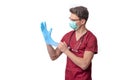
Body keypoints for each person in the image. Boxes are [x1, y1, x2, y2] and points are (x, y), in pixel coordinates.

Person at [40, 6, 98, 80]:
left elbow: (84, 64)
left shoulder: (91, 38)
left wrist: (66, 51)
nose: (71, 22)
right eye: (70, 19)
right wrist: (47, 41)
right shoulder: (68, 36)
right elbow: (53, 56)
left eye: (73, 20)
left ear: (82, 21)